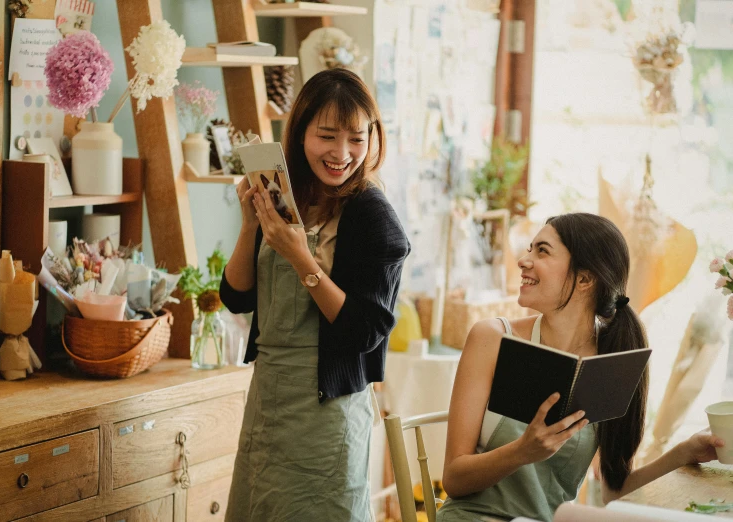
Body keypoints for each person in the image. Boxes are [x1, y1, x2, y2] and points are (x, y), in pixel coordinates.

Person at [437, 213, 723, 522]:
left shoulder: (610, 363)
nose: (523, 260)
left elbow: (615, 491)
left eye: (542, 251)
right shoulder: (492, 337)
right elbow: (454, 479)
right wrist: (522, 451)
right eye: (530, 248)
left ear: (585, 279)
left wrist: (685, 452)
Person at [221, 68, 410, 522]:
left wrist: (301, 259)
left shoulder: (373, 217)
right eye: (327, 135)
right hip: (268, 400)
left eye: (356, 139)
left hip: (326, 416)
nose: (342, 154)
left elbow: (364, 332)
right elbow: (236, 297)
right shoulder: (288, 198)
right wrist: (251, 228)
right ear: (300, 132)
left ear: (372, 138)